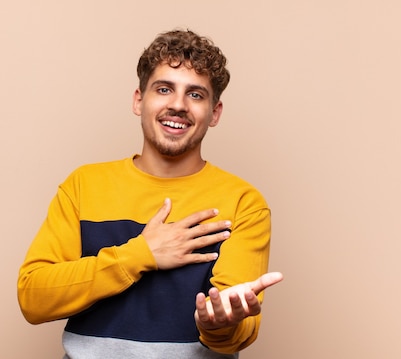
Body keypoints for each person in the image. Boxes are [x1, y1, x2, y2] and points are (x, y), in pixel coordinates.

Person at [17, 29, 283, 359]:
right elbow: (33, 298)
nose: (178, 105)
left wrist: (217, 324)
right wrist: (141, 254)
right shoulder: (83, 185)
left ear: (214, 113)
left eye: (196, 95)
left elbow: (236, 331)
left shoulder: (243, 202)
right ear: (138, 100)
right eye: (164, 89)